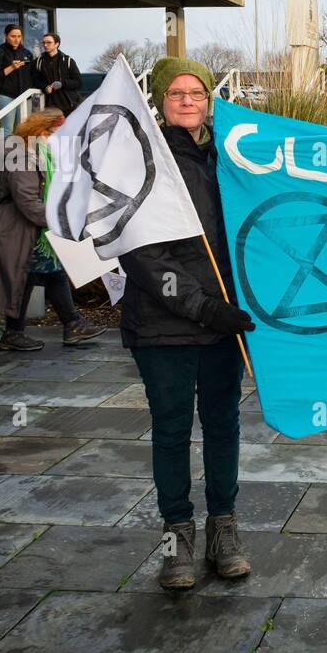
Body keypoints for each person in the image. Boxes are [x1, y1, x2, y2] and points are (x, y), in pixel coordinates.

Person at [119, 57, 256, 590]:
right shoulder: (142, 164)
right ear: (159, 100)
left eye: (196, 91)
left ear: (208, 99)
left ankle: (225, 528)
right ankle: (178, 537)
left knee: (223, 425)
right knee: (173, 432)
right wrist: (202, 307)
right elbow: (145, 257)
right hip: (164, 329)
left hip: (223, 325)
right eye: (175, 92)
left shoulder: (229, 158)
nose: (187, 100)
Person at [0, 107, 106, 351]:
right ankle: (27, 331)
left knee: (43, 274)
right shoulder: (23, 156)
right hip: (19, 229)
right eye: (58, 133)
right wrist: (61, 219)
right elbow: (28, 202)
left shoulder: (42, 153)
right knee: (29, 276)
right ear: (42, 131)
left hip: (33, 232)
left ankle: (67, 326)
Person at [0, 24, 35, 136]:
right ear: (6, 36)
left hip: (25, 96)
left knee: (24, 129)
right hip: (6, 95)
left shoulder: (27, 53)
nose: (16, 39)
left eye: (19, 36)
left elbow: (32, 75)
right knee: (7, 129)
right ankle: (4, 153)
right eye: (13, 36)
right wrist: (12, 67)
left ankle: (23, 153)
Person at [32, 32, 83, 116]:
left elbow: (78, 82)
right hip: (49, 106)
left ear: (57, 44)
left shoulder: (67, 60)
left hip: (69, 104)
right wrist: (45, 86)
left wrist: (62, 84)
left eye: (49, 42)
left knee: (68, 128)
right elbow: (35, 80)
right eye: (44, 42)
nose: (45, 45)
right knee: (53, 129)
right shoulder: (39, 61)